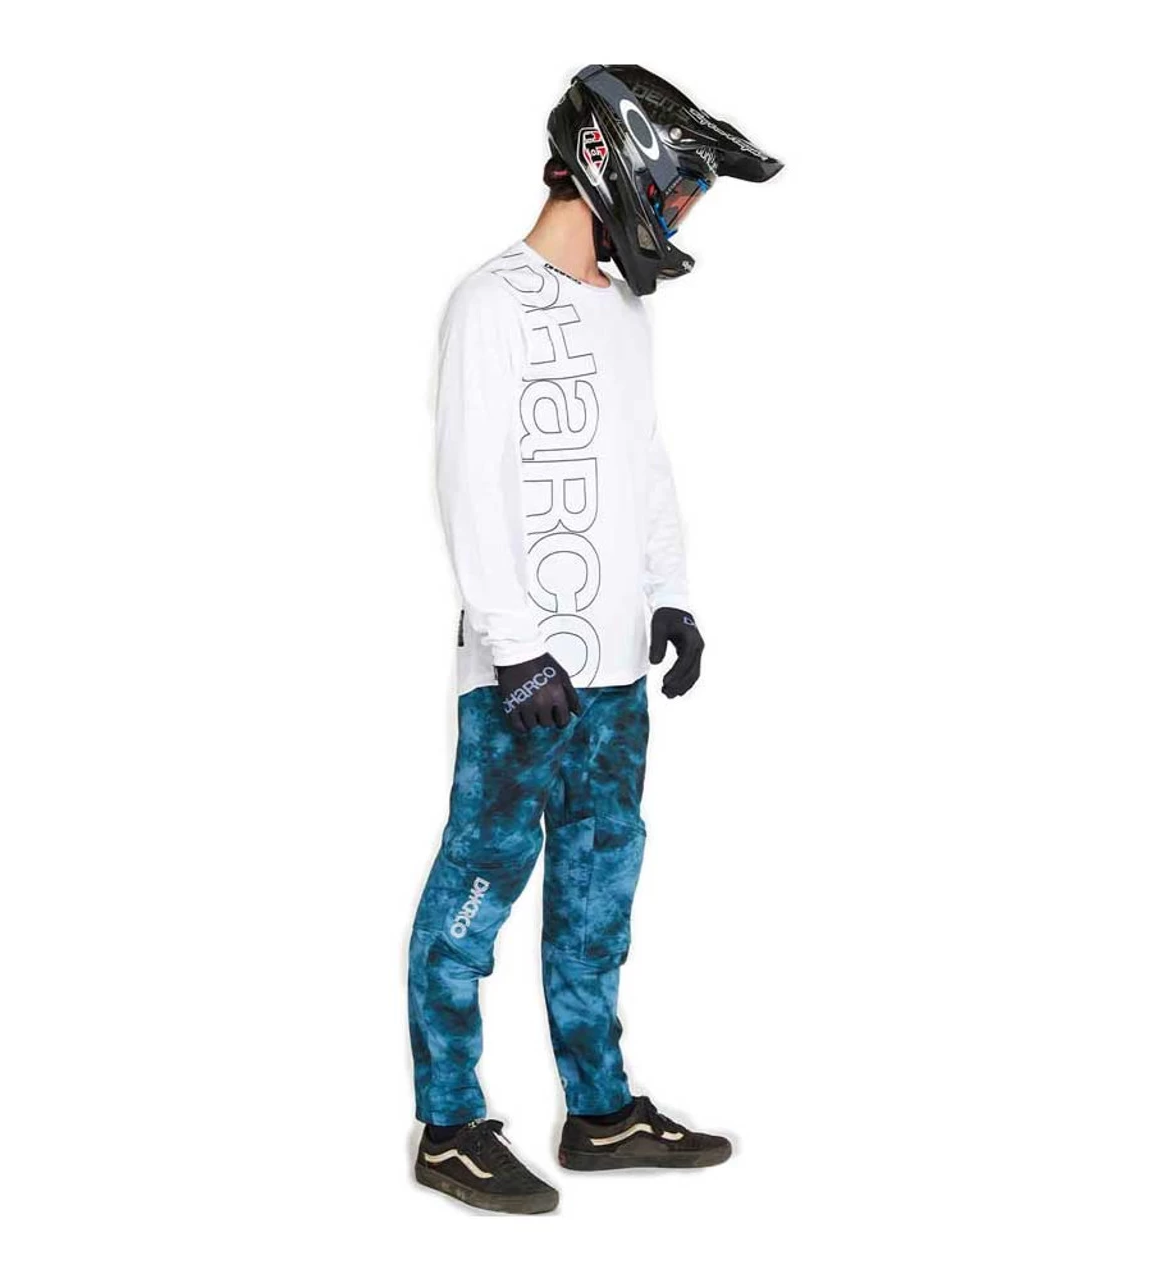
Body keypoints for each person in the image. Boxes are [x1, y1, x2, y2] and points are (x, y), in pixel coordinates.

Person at [407, 64, 782, 1214]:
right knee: (476, 889)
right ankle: (448, 1124)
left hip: (614, 676)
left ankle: (599, 1110)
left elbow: (641, 462)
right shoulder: (489, 302)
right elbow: (468, 479)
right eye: (683, 191)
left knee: (597, 892)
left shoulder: (621, 312)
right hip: (521, 677)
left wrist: (669, 591)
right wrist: (514, 642)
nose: (682, 216)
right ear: (617, 163)